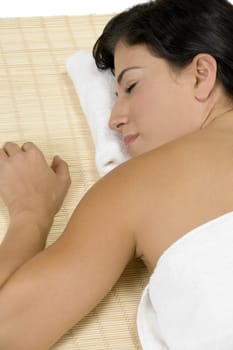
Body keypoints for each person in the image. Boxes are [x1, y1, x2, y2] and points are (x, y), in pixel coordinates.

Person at [1, 0, 233, 348]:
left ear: (201, 74)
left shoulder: (140, 184)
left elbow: (8, 328)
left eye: (131, 87)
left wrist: (30, 212)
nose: (113, 119)